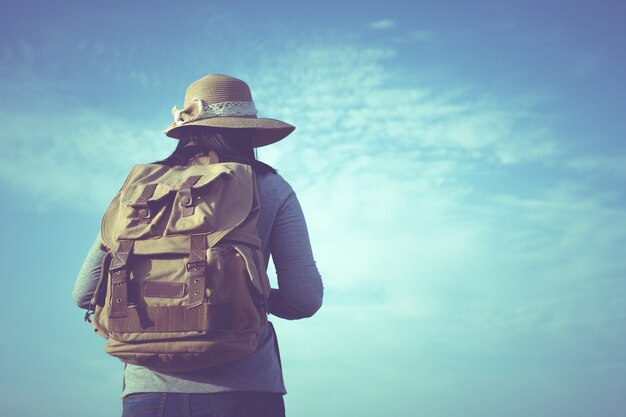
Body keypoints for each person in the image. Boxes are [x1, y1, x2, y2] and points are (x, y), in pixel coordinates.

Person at [72, 74, 324, 417]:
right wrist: (243, 290)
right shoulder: (270, 186)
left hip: (149, 391)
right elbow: (304, 298)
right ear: (248, 131)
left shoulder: (138, 191)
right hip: (244, 388)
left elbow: (84, 294)